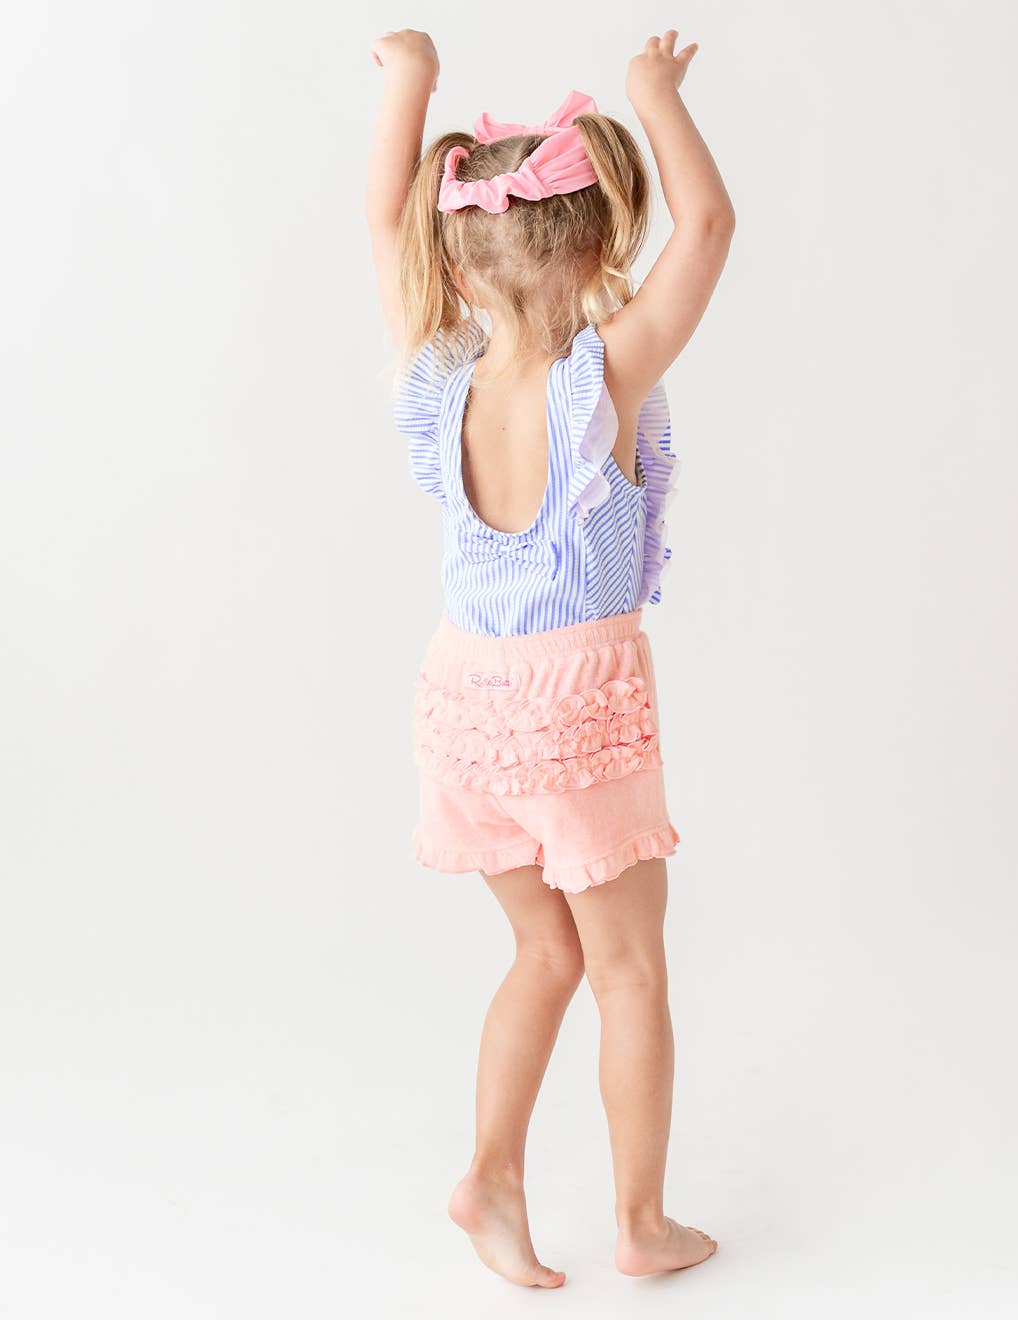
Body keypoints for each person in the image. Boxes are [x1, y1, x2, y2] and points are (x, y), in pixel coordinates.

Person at [366, 26, 735, 1288]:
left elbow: (382, 225)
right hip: (574, 712)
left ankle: (491, 1176)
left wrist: (409, 85)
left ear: (457, 264)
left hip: (462, 705)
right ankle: (641, 1222)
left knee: (544, 951)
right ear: (594, 249)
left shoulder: (439, 379)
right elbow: (709, 230)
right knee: (625, 966)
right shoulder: (601, 378)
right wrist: (653, 95)